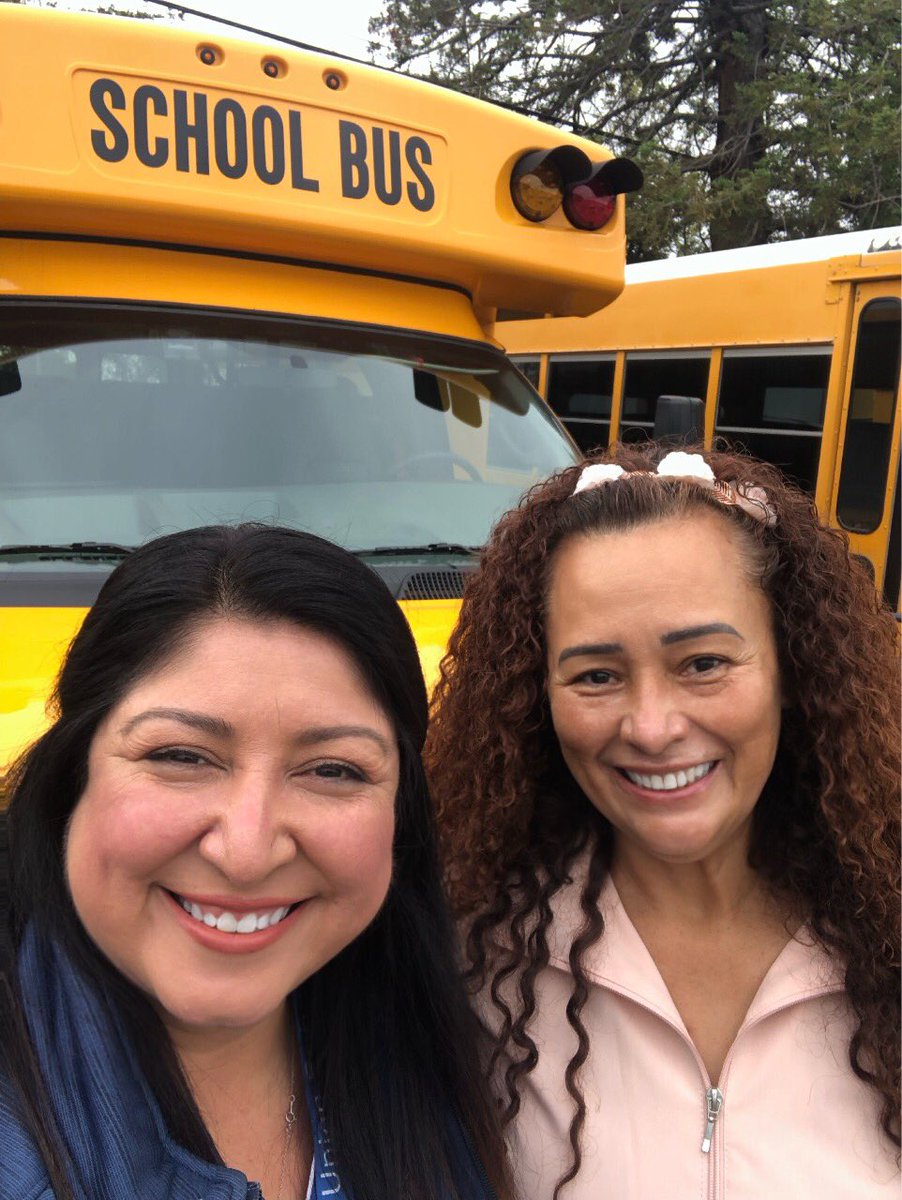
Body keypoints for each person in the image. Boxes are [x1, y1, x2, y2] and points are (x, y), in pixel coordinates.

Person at [425, 444, 900, 1199]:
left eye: (703, 663)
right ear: (537, 698)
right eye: (596, 676)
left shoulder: (889, 939)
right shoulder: (469, 962)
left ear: (791, 669)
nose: (651, 727)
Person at [0, 524, 512, 1200]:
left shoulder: (451, 1033)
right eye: (180, 756)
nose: (246, 852)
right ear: (72, 776)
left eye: (332, 770)